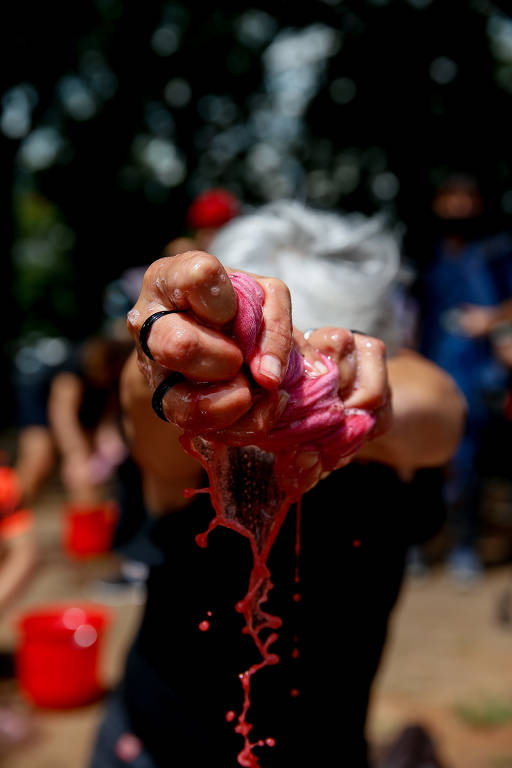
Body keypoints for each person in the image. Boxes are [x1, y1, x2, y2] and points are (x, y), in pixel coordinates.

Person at [89, 204, 465, 768]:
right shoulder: (189, 430)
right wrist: (168, 358)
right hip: (159, 745)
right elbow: (145, 407)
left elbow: (434, 406)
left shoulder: (391, 422)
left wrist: (339, 385)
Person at [415, 174, 512, 581]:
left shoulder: (496, 250)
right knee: (422, 455)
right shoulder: (428, 253)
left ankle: (465, 547)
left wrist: (490, 319)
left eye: (464, 197)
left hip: (478, 371)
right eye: (448, 197)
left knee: (468, 459)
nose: (456, 206)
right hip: (431, 363)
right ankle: (421, 543)